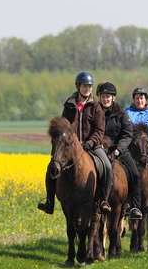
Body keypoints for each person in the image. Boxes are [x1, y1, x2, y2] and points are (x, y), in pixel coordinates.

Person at [38, 71, 112, 215]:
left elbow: (99, 130)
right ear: (78, 86)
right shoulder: (69, 106)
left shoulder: (96, 106)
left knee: (107, 166)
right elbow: (63, 127)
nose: (87, 89)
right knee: (52, 166)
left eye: (90, 87)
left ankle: (104, 200)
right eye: (85, 86)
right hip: (71, 146)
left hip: (92, 146)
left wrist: (90, 143)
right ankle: (49, 202)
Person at [96, 82, 142, 220]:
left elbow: (127, 135)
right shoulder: (94, 112)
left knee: (134, 173)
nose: (106, 99)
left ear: (113, 98)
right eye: (103, 96)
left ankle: (135, 206)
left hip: (118, 150)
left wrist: (119, 149)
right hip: (98, 148)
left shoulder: (122, 114)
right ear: (99, 97)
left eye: (108, 97)